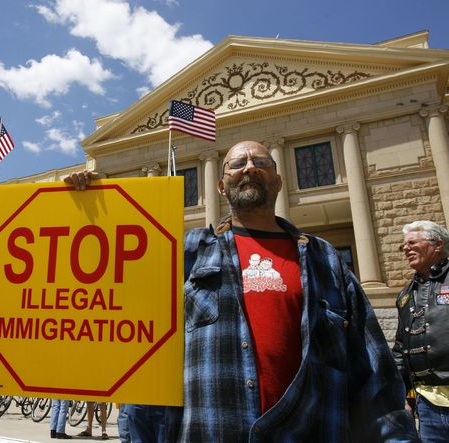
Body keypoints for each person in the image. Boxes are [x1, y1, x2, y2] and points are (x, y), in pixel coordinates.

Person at [67, 140, 418, 441]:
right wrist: (89, 208)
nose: (249, 167)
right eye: (237, 163)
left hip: (309, 431)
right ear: (221, 186)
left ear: (279, 181)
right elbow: (119, 295)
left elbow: (374, 374)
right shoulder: (187, 253)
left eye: (260, 162)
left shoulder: (324, 259)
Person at [392, 220, 449, 441]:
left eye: (412, 242)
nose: (406, 248)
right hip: (427, 408)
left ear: (438, 245)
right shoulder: (405, 296)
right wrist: (399, 394)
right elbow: (399, 349)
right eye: (403, 245)